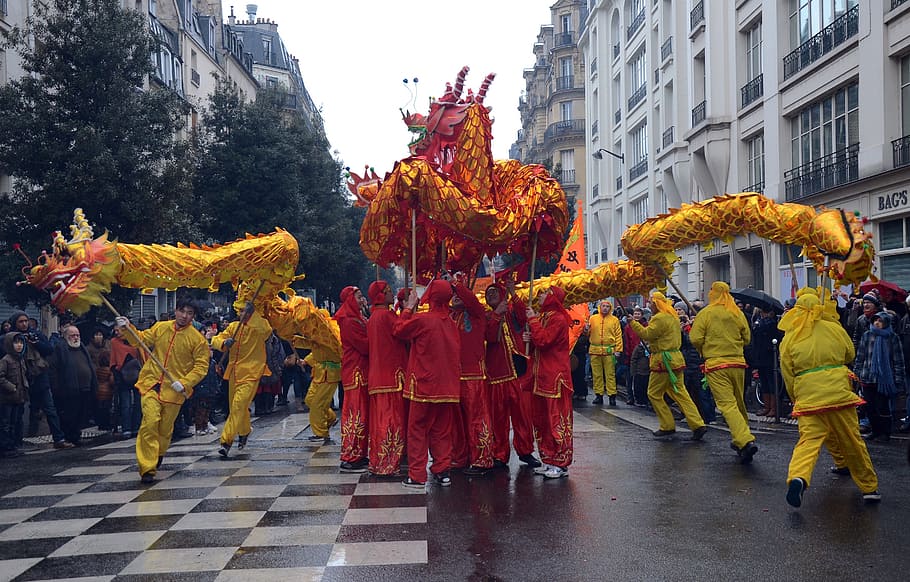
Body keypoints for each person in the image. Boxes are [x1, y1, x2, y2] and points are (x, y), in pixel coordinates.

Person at [778, 293, 881, 507]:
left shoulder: (791, 336)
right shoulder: (833, 327)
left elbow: (787, 371)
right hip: (838, 392)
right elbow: (849, 354)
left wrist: (794, 396)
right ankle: (869, 487)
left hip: (808, 396)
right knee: (852, 440)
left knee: (808, 442)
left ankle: (798, 477)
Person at [115, 297, 209, 483]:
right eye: (182, 311)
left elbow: (201, 367)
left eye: (189, 313)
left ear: (193, 316)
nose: (184, 316)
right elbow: (141, 341)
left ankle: (158, 453)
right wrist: (127, 328)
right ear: (176, 310)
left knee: (165, 429)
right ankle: (147, 467)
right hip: (151, 382)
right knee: (150, 422)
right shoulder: (161, 327)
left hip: (174, 390)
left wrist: (184, 382)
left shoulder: (197, 340)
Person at [394, 280, 461, 487]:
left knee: (417, 430)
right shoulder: (451, 323)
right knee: (442, 430)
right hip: (447, 388)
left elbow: (398, 330)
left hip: (423, 386)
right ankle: (442, 470)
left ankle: (417, 475)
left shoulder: (423, 320)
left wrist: (408, 308)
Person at [689, 282, 757, 463]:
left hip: (717, 365)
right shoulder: (737, 312)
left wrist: (703, 349)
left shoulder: (706, 313)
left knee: (727, 405)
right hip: (738, 363)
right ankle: (741, 437)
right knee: (738, 402)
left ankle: (744, 440)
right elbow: (747, 337)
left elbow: (695, 338)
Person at [628, 291, 707, 440]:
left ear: (656, 304)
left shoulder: (659, 318)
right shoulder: (672, 317)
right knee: (680, 392)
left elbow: (647, 335)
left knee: (654, 393)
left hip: (663, 361)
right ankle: (697, 424)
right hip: (676, 359)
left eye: (651, 303)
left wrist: (633, 323)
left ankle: (667, 425)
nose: (650, 305)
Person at [484, 281, 540, 468]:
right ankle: (499, 454)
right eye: (488, 293)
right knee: (498, 418)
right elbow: (491, 337)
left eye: (494, 292)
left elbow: (524, 317)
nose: (490, 294)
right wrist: (497, 313)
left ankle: (525, 451)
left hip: (518, 372)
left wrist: (513, 294)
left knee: (523, 416)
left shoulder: (513, 312)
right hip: (498, 374)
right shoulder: (487, 316)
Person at [210, 300, 274, 457]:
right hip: (234, 373)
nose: (241, 314)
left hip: (252, 372)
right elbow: (215, 340)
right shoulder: (233, 327)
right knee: (237, 407)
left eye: (245, 311)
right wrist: (224, 342)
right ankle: (244, 431)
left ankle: (226, 441)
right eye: (240, 311)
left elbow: (266, 331)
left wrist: (254, 315)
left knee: (239, 405)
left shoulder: (260, 325)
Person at [524, 286, 573, 479]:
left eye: (545, 292)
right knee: (542, 421)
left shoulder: (558, 319)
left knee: (556, 421)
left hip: (555, 377)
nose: (540, 295)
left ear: (553, 297)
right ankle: (548, 458)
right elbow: (538, 341)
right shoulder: (543, 317)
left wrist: (533, 321)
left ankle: (560, 463)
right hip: (541, 377)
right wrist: (530, 336)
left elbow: (544, 340)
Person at [450, 276, 494, 475]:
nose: (456, 297)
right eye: (454, 294)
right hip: (453, 377)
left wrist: (457, 285)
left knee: (476, 419)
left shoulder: (477, 312)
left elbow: (472, 301)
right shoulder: (450, 316)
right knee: (456, 422)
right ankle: (459, 458)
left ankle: (481, 460)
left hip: (474, 376)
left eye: (460, 293)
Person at [6, 312, 69, 449]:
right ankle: (17, 442)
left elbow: (49, 349)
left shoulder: (36, 334)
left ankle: (59, 438)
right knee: (18, 413)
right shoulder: (11, 337)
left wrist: (36, 342)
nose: (24, 324)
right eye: (21, 322)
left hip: (39, 376)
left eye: (26, 321)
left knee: (50, 409)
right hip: (20, 378)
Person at [365, 280, 408, 475]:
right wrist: (409, 310)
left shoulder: (374, 316)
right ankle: (388, 463)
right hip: (390, 377)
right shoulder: (386, 315)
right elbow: (404, 330)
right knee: (391, 421)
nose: (392, 295)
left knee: (380, 421)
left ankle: (379, 461)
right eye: (389, 291)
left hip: (378, 377)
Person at [853, 311, 905, 443]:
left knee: (882, 406)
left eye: (880, 321)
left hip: (884, 379)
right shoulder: (867, 335)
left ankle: (885, 432)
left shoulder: (892, 337)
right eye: (875, 320)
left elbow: (898, 360)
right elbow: (860, 356)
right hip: (868, 376)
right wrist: (856, 374)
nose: (877, 323)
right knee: (869, 407)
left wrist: (898, 380)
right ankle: (875, 431)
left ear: (886, 322)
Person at [336, 286, 370, 473]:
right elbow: (364, 346)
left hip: (361, 371)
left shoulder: (358, 317)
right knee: (355, 415)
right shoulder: (349, 321)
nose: (362, 299)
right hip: (355, 372)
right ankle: (351, 456)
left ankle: (360, 453)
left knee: (362, 414)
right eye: (358, 296)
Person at [49, 324, 98, 446]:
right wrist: (56, 388)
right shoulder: (60, 348)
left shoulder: (81, 348)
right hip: (68, 389)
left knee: (81, 414)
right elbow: (53, 370)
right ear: (66, 337)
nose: (76, 338)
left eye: (77, 335)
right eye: (73, 335)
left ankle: (76, 435)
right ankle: (69, 436)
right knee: (70, 414)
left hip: (85, 388)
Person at [677, 302, 714, 424]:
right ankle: (688, 414)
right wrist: (682, 331)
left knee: (702, 391)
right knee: (687, 391)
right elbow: (680, 344)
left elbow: (695, 341)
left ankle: (708, 416)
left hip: (699, 362)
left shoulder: (703, 326)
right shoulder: (685, 327)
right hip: (687, 362)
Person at [587, 300, 623, 407]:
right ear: (600, 307)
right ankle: (599, 395)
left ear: (610, 308)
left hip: (609, 351)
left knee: (610, 374)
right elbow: (587, 332)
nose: (605, 308)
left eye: (608, 306)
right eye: (603, 306)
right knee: (596, 374)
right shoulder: (593, 319)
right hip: (595, 350)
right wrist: (586, 330)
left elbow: (618, 336)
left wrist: (618, 350)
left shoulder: (615, 320)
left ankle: (612, 395)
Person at [750, 306, 785, 418]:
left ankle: (773, 408)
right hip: (760, 357)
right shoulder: (759, 322)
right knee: (764, 382)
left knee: (771, 382)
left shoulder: (773, 324)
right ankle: (766, 406)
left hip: (770, 357)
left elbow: (774, 335)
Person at [110, 320, 142, 439]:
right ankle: (126, 428)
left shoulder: (134, 340)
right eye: (115, 330)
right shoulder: (114, 342)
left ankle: (136, 427)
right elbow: (113, 360)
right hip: (122, 376)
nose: (117, 333)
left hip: (137, 374)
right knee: (126, 404)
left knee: (138, 403)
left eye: (119, 330)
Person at [0, 333, 30, 457]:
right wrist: (11, 387)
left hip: (19, 397)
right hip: (7, 398)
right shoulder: (5, 360)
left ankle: (13, 445)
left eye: (21, 342)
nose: (19, 345)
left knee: (14, 422)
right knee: (5, 424)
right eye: (16, 342)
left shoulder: (20, 359)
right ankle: (5, 447)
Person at [622, 307, 645, 405]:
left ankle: (640, 397)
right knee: (630, 377)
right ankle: (630, 396)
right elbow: (626, 341)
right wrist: (626, 355)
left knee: (640, 378)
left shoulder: (645, 325)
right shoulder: (628, 327)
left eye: (638, 314)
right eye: (635, 314)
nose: (637, 316)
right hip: (630, 355)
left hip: (642, 356)